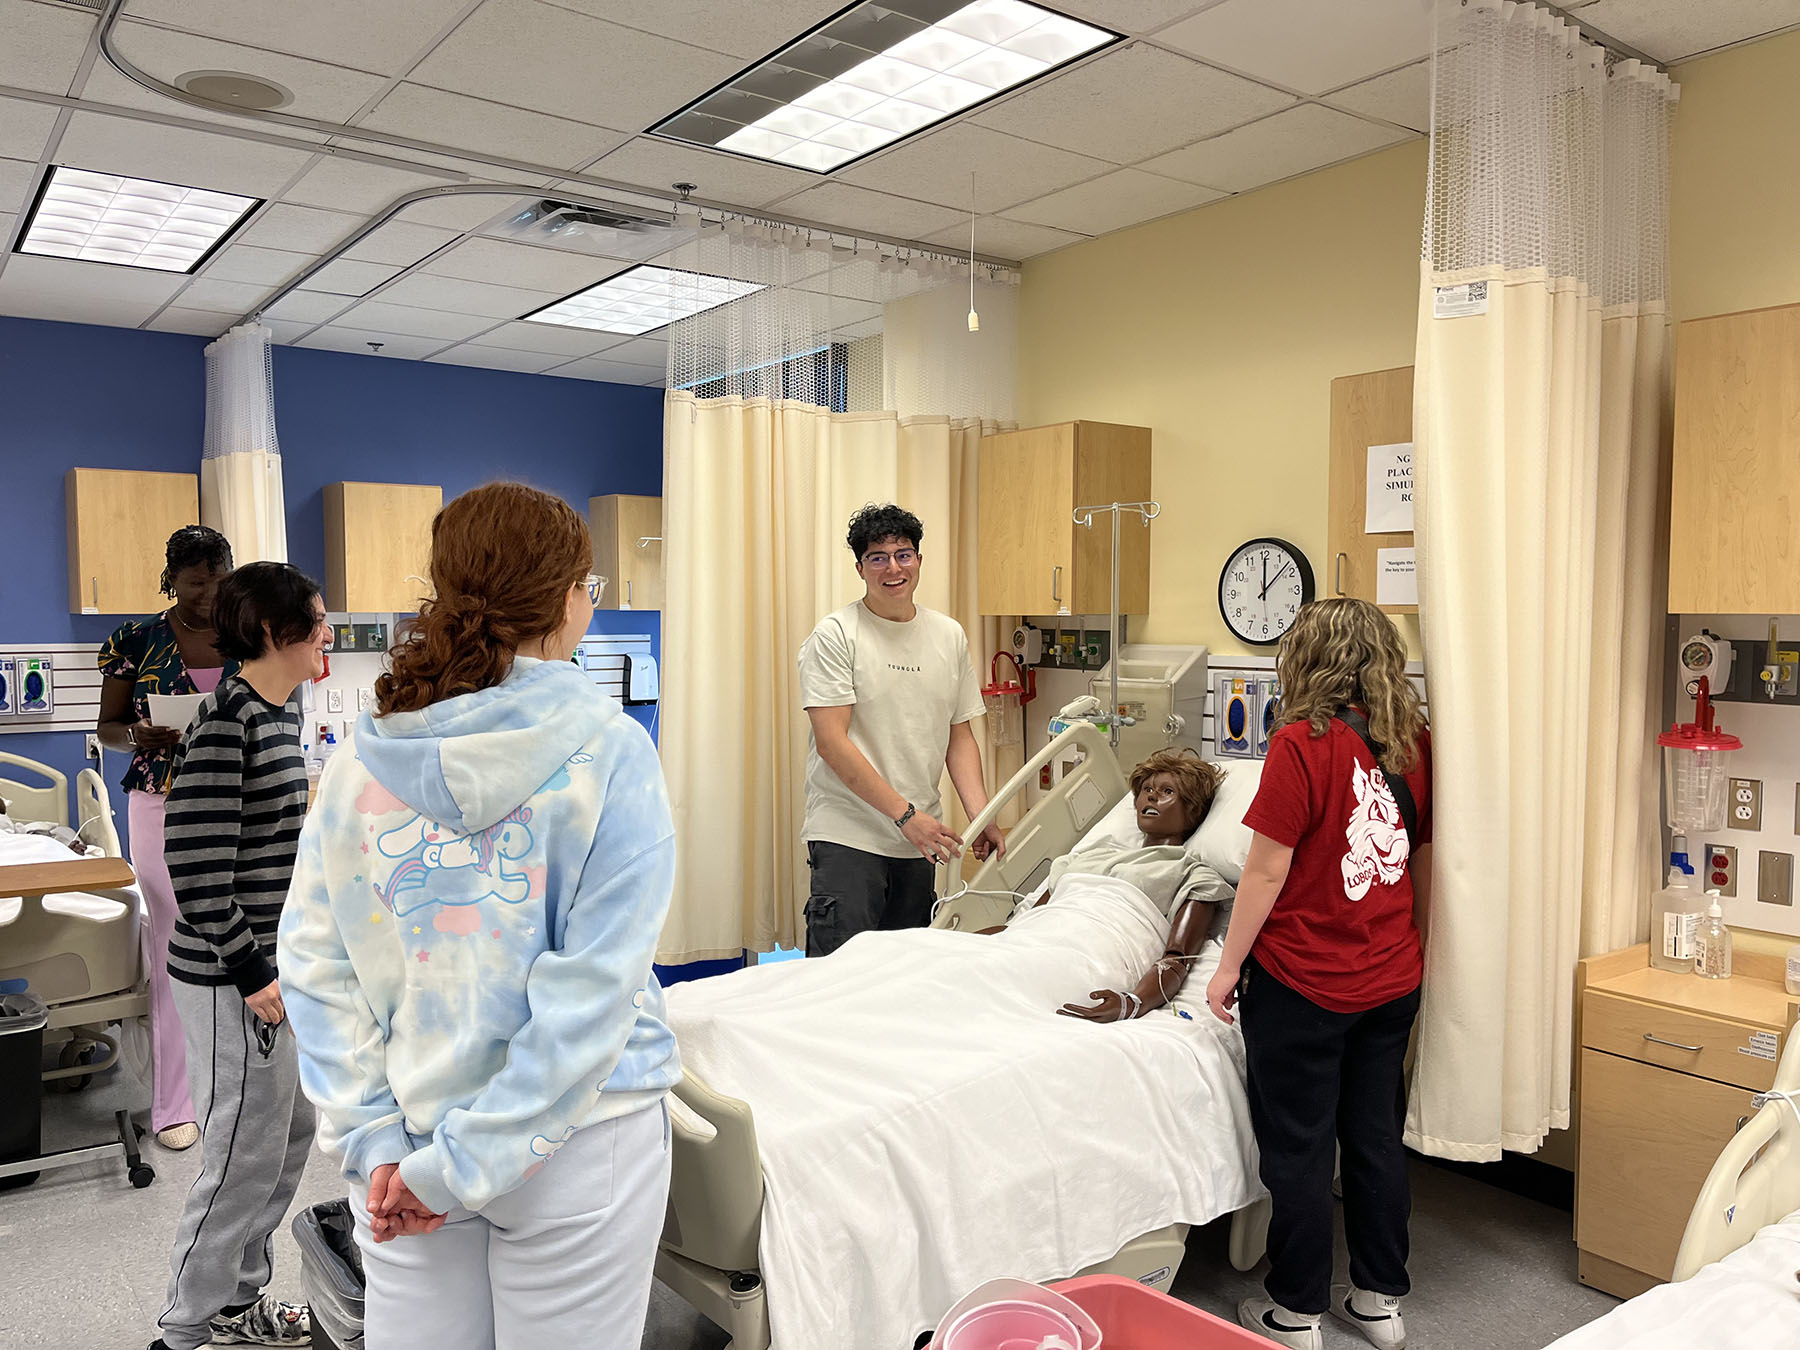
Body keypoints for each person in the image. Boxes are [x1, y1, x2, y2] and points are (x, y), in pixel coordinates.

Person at [279, 483, 679, 1350]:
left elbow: (316, 963)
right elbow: (594, 993)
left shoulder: (365, 757)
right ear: (569, 597)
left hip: (408, 1140)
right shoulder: (611, 752)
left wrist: (381, 1143)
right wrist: (463, 1170)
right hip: (581, 1140)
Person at [1204, 598, 1432, 1350]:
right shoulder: (1413, 742)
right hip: (1392, 976)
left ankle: (1295, 1313)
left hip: (1303, 981)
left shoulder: (1302, 744)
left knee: (1299, 1146)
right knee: (1374, 1138)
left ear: (1308, 658)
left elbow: (1265, 873)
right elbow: (1419, 860)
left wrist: (1227, 967)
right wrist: (1412, 945)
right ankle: (1377, 1301)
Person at [151, 561, 330, 1350]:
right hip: (233, 976)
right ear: (270, 631)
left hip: (271, 968)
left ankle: (235, 1305)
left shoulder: (279, 712)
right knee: (237, 1156)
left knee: (288, 1132)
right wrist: (252, 969)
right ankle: (183, 1332)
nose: (328, 632)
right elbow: (193, 863)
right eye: (317, 619)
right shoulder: (230, 721)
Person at [799, 503, 1003, 957]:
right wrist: (906, 817)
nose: (893, 567)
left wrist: (981, 817)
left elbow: (959, 735)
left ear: (919, 560)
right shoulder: (836, 635)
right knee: (839, 981)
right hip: (850, 833)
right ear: (860, 567)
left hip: (919, 843)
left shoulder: (948, 635)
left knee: (904, 981)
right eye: (878, 557)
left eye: (903, 554)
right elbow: (833, 743)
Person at [96, 524, 236, 1151]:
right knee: (173, 933)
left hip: (234, 796)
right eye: (195, 583)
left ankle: (234, 1092)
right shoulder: (137, 640)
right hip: (160, 796)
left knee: (237, 934)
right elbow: (109, 727)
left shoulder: (248, 631)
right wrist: (140, 736)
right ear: (171, 579)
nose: (207, 595)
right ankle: (174, 1102)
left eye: (218, 581)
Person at [1050, 749, 1235, 1023]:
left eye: (1167, 791)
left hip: (1086, 954)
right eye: (1147, 789)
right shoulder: (1091, 854)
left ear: (1192, 810)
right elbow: (1021, 922)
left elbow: (1177, 959)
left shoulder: (1193, 874)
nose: (1151, 796)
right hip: (1035, 937)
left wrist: (1133, 1003)